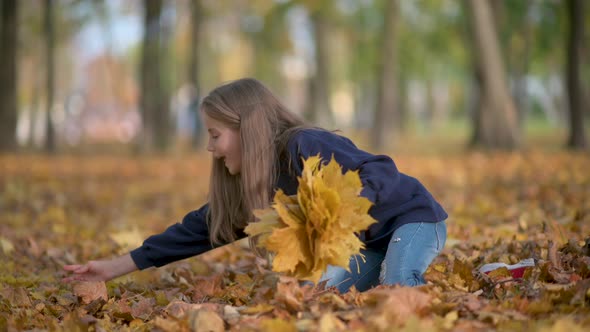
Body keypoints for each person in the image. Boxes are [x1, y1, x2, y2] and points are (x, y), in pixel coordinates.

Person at [63, 78, 448, 293]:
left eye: (215, 135)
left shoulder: (304, 145)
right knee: (317, 295)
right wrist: (112, 268)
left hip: (411, 219)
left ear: (246, 128)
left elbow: (381, 169)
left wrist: (339, 213)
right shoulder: (259, 185)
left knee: (398, 280)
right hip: (368, 245)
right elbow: (198, 231)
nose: (209, 147)